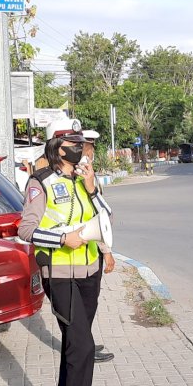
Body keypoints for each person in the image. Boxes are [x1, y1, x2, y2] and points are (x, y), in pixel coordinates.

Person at [18, 118, 115, 386]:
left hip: (90, 272)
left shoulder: (85, 178)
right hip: (59, 275)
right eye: (74, 144)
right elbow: (25, 230)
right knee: (83, 347)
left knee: (75, 348)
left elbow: (105, 218)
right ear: (58, 148)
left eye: (80, 144)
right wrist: (62, 240)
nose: (81, 149)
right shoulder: (40, 182)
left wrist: (92, 188)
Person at [80, 128, 115, 364]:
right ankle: (84, 349)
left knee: (87, 304)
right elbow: (100, 217)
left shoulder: (85, 175)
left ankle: (85, 342)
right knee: (87, 305)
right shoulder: (84, 177)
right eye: (88, 147)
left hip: (87, 251)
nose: (91, 152)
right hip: (87, 251)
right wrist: (108, 252)